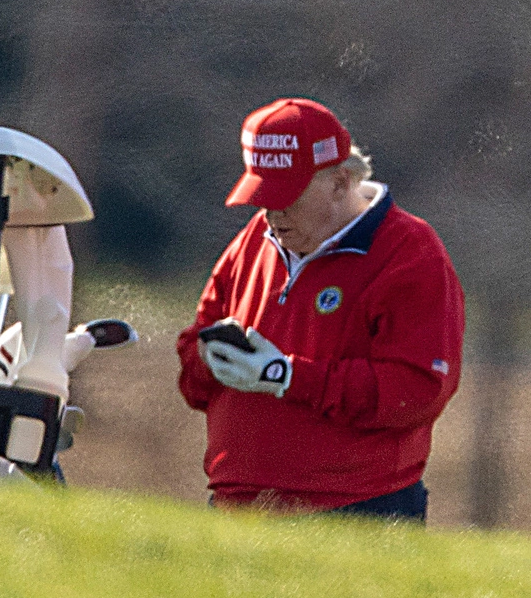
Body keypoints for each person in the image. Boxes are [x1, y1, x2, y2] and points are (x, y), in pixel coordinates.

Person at [175, 97, 464, 521]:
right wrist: (210, 359)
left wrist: (287, 376)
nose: (273, 213)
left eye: (287, 196)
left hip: (356, 510)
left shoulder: (411, 253)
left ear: (340, 182)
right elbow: (193, 367)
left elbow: (417, 391)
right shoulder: (256, 237)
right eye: (262, 196)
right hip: (235, 505)